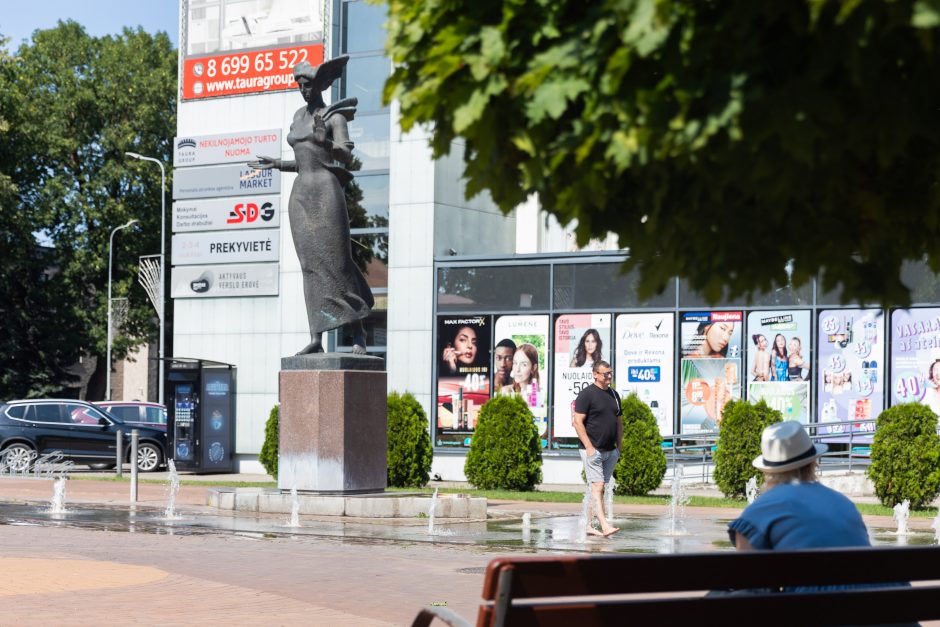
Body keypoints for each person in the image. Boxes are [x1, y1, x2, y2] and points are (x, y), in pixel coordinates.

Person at [249, 56, 373, 355]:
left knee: (337, 262)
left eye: (309, 85)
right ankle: (316, 335)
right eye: (300, 85)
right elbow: (303, 161)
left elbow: (345, 155)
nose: (304, 90)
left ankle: (358, 333)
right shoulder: (297, 116)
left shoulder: (333, 117)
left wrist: (326, 142)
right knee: (310, 267)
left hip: (326, 191)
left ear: (320, 84)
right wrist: (278, 163)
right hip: (301, 194)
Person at [573, 360, 622, 537]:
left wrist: (619, 448)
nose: (609, 375)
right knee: (598, 486)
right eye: (605, 373)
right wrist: (589, 448)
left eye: (610, 372)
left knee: (598, 488)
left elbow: (619, 422)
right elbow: (577, 422)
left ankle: (589, 525)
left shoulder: (615, 395)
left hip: (610, 450)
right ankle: (604, 525)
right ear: (595, 374)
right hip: (592, 449)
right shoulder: (587, 395)